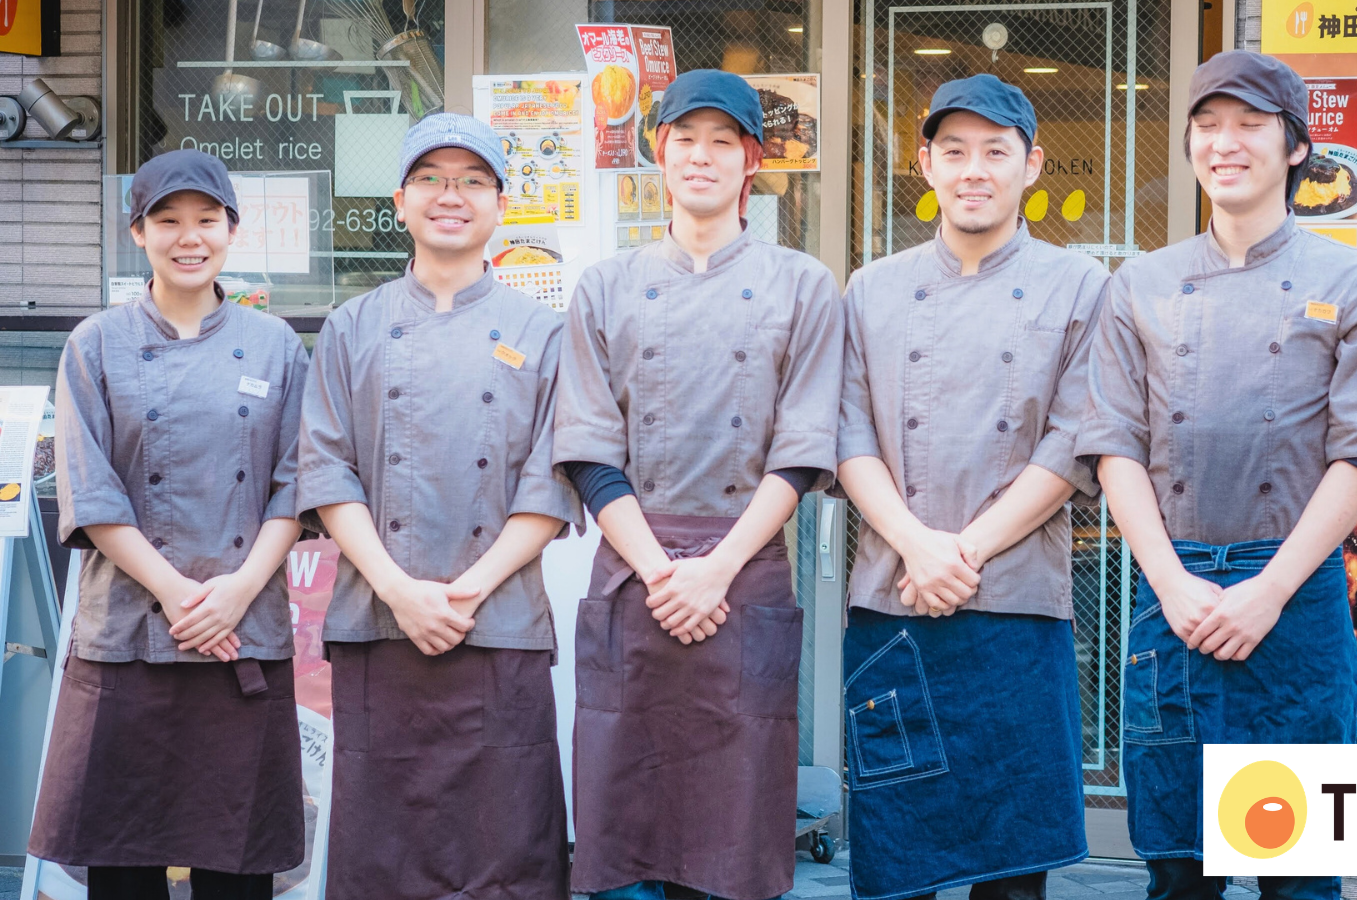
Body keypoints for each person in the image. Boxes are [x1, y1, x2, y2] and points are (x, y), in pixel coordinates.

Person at [1075, 50, 1357, 900]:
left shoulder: (1356, 278)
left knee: (1297, 874)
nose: (1225, 143)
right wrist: (1172, 582)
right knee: (1178, 873)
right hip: (1172, 600)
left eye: (1249, 126)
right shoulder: (1138, 284)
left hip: (1296, 605)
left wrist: (1268, 589)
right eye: (1208, 125)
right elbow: (1114, 445)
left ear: (1295, 147)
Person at [554, 68, 844, 900]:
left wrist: (714, 570)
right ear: (658, 151)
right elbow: (587, 448)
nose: (703, 156)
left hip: (742, 577)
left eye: (724, 141)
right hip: (634, 577)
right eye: (687, 138)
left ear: (753, 159)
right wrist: (660, 571)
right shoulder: (605, 287)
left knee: (733, 836)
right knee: (626, 826)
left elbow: (802, 448)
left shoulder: (803, 284)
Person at [835, 74, 1107, 900]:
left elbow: (1073, 442)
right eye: (954, 150)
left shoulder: (1082, 285)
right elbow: (849, 434)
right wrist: (919, 546)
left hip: (1016, 604)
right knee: (895, 858)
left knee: (1013, 870)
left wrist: (966, 551)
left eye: (996, 150)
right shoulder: (871, 288)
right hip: (894, 600)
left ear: (1033, 165)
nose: (973, 169)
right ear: (924, 163)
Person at [296, 113, 581, 900]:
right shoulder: (352, 326)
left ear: (500, 204)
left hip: (499, 626)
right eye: (431, 179)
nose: (449, 196)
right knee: (381, 851)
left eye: (471, 181)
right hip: (377, 623)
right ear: (399, 200)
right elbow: (326, 471)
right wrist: (398, 590)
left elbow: (550, 482)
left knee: (506, 847)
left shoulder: (543, 331)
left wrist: (466, 591)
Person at [29, 148, 308, 900]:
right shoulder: (96, 343)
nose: (190, 237)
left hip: (241, 629)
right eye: (168, 221)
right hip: (127, 634)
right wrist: (183, 596)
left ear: (232, 230)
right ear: (137, 231)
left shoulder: (277, 346)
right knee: (122, 867)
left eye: (206, 221)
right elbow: (92, 493)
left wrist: (236, 592)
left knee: (237, 864)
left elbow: (295, 487)